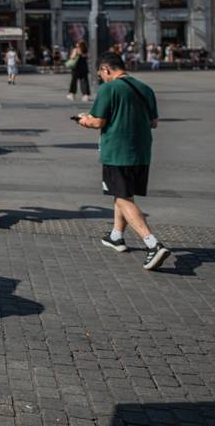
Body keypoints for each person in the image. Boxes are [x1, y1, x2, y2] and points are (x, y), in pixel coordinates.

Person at [77, 52, 170, 271]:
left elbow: (98, 121)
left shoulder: (109, 89)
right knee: (123, 194)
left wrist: (83, 121)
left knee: (122, 197)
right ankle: (116, 236)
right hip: (141, 151)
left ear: (106, 69)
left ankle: (152, 244)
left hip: (117, 151)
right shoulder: (145, 88)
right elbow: (153, 122)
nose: (101, 78)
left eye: (100, 73)